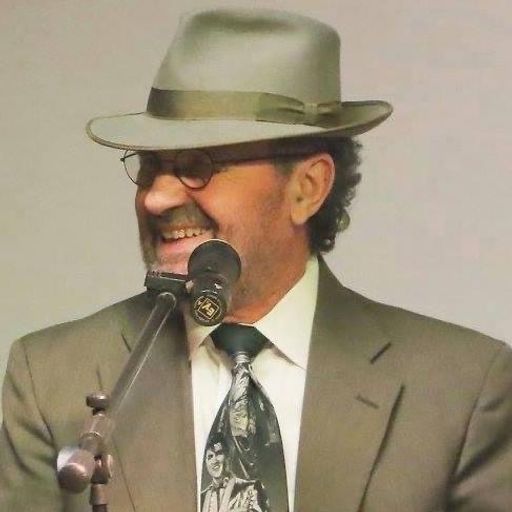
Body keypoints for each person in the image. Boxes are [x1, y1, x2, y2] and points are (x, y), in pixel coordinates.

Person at [1, 7, 511, 512]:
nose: (156, 197)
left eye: (197, 165)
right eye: (150, 166)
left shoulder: (464, 391)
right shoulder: (51, 379)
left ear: (307, 187)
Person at [202, 433, 269, 512]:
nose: (214, 461)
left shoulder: (251, 488)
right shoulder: (201, 498)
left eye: (219, 454)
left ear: (228, 456)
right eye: (210, 457)